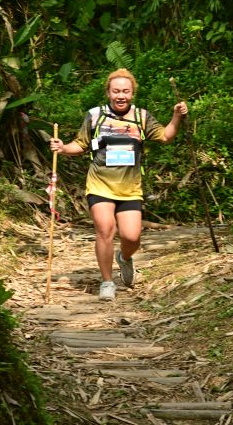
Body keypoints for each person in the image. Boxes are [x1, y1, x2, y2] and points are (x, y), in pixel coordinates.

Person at [50, 68, 188, 301]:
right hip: (100, 184)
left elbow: (166, 136)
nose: (121, 95)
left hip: (129, 188)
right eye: (116, 91)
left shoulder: (141, 117)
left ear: (132, 93)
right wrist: (62, 148)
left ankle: (124, 258)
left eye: (125, 91)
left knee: (132, 237)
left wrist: (177, 116)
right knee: (105, 230)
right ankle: (107, 282)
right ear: (108, 93)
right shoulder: (95, 116)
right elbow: (80, 144)